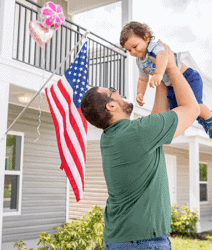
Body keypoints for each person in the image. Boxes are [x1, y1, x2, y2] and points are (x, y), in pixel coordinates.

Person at [80, 41, 200, 249]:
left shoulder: (115, 136)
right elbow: (191, 109)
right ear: (111, 105)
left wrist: (160, 76)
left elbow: (157, 121)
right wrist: (171, 66)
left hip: (125, 238)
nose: (117, 92)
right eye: (113, 91)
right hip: (142, 242)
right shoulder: (134, 134)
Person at [120, 21, 212, 139]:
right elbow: (143, 79)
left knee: (194, 104)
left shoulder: (153, 47)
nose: (133, 52)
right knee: (178, 111)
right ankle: (201, 117)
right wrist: (140, 93)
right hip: (171, 86)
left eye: (135, 46)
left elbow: (163, 56)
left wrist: (158, 74)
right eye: (129, 50)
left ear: (146, 38)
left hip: (187, 78)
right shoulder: (140, 61)